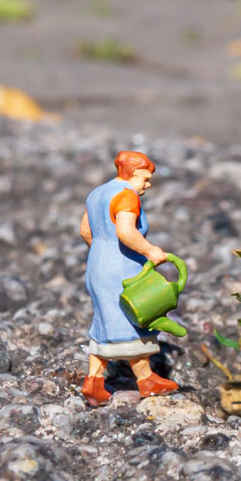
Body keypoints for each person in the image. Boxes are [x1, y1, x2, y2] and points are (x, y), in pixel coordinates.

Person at [79, 151, 178, 407]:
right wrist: (150, 251)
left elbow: (85, 231)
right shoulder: (126, 195)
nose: (148, 184)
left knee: (104, 322)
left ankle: (96, 382)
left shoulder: (97, 194)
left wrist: (101, 252)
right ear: (133, 174)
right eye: (145, 178)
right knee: (132, 319)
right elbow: (125, 231)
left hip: (97, 264)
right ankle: (144, 380)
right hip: (120, 266)